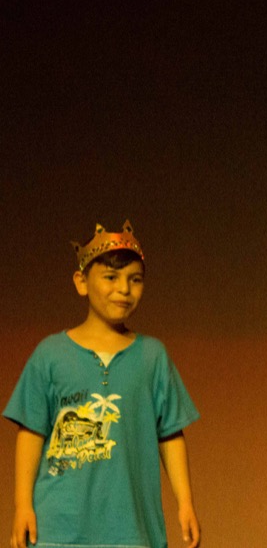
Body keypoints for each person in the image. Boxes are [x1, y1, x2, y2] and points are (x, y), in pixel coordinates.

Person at [5, 221, 201, 548]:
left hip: (132, 530)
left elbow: (170, 434)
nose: (124, 289)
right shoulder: (50, 354)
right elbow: (31, 432)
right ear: (81, 282)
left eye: (134, 279)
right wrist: (23, 505)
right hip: (59, 529)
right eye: (111, 277)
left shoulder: (152, 356)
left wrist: (185, 503)